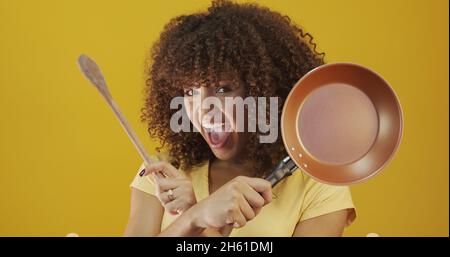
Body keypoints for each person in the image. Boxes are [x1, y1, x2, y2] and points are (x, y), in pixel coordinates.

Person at [124, 0, 356, 237]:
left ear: (265, 91)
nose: (202, 110)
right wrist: (194, 217)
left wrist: (193, 214)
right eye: (190, 92)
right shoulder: (163, 175)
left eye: (223, 89)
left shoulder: (318, 186)